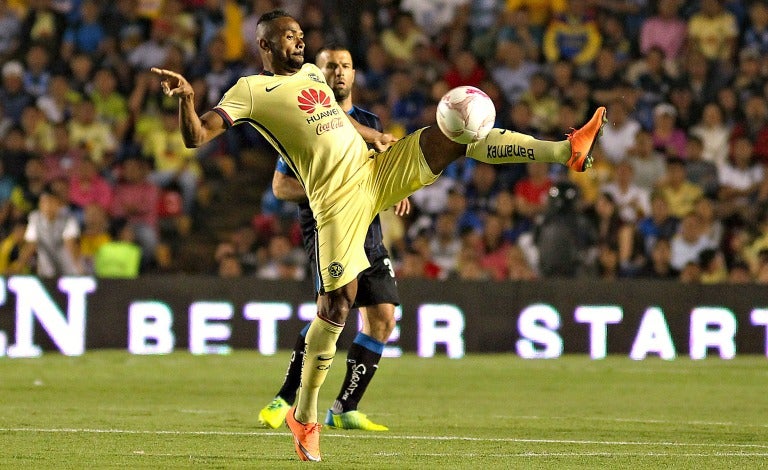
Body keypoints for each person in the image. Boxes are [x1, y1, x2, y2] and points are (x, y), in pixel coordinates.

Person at [151, 9, 606, 462]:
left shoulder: (313, 73)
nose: (300, 41)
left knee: (455, 135)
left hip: (374, 174)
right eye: (288, 36)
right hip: (334, 203)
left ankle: (567, 149)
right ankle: (305, 416)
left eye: (301, 33)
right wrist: (187, 100)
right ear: (265, 45)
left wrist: (374, 137)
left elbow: (336, 120)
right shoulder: (251, 91)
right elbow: (198, 136)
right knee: (336, 305)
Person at [257, 45, 406, 433]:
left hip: (369, 230)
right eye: (330, 66)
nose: (338, 72)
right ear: (316, 74)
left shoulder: (370, 121)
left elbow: (381, 171)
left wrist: (397, 188)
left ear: (354, 74)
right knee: (332, 317)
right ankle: (285, 398)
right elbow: (281, 186)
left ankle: (344, 407)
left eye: (345, 66)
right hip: (328, 227)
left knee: (384, 317)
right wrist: (333, 189)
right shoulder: (305, 123)